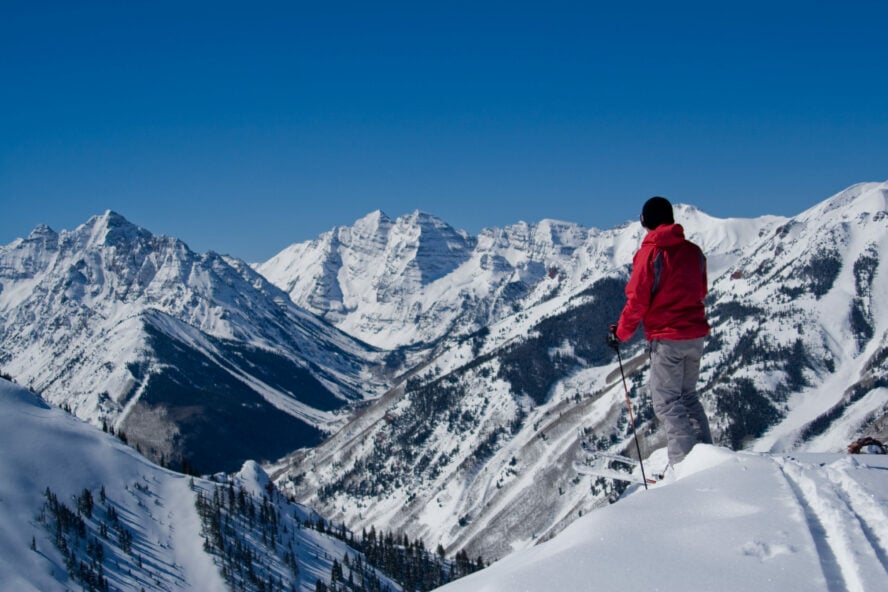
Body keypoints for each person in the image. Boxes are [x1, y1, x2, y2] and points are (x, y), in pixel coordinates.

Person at [609, 196, 713, 468]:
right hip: (695, 334)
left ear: (645, 221)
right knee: (688, 397)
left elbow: (638, 301)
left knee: (667, 403)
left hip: (668, 338)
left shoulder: (651, 253)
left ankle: (684, 466)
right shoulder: (694, 252)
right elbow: (701, 291)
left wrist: (620, 334)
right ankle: (708, 459)